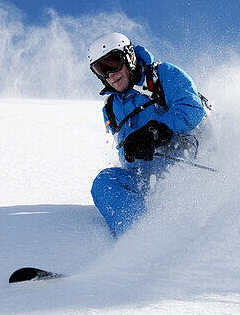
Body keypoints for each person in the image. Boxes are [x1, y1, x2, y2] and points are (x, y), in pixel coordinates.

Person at [87, 32, 209, 236]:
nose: (110, 75)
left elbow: (191, 108)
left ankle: (160, 248)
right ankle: (140, 241)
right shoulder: (110, 109)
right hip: (147, 182)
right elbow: (124, 150)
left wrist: (154, 132)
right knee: (105, 182)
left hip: (189, 171)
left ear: (129, 57)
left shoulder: (162, 75)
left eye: (113, 63)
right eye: (101, 70)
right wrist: (130, 152)